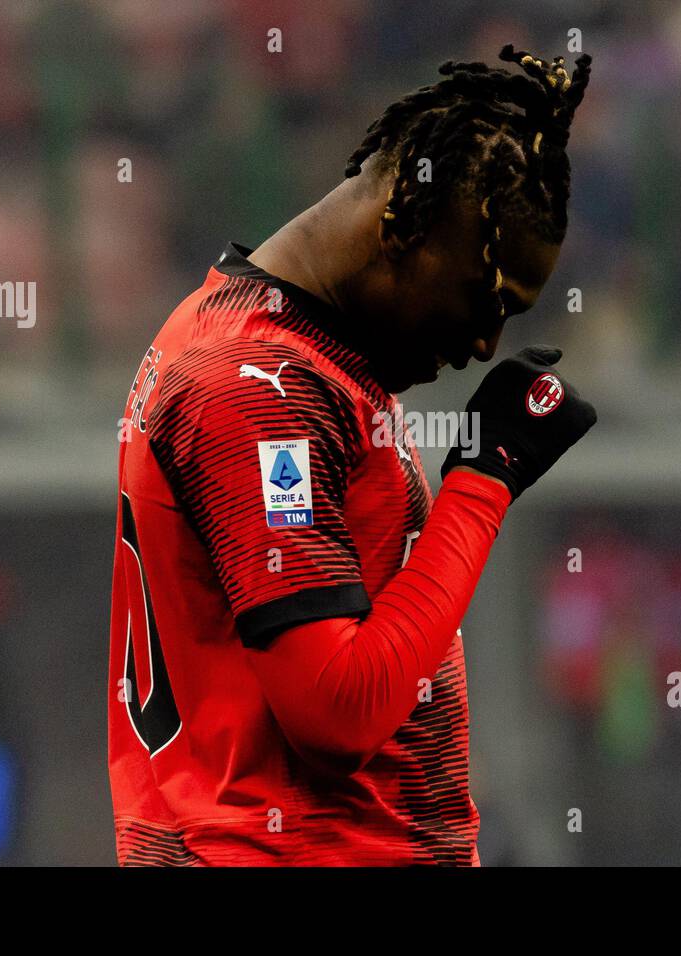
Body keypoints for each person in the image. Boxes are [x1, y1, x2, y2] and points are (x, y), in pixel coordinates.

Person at [107, 45, 596, 865]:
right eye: (487, 294)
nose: (484, 341)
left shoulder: (275, 346)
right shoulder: (258, 387)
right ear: (407, 215)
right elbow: (336, 710)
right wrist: (485, 479)